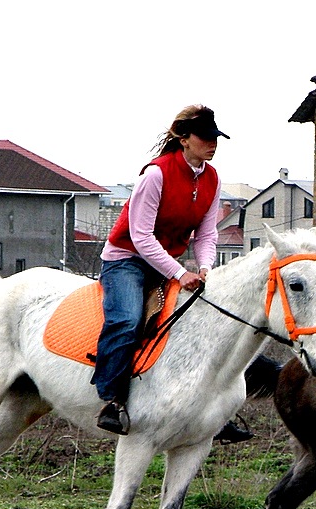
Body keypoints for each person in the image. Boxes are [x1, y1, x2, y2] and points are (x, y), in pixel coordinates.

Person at [91, 104, 251, 442]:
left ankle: (211, 413)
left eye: (215, 137)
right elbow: (140, 237)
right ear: (184, 139)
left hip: (168, 262)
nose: (213, 143)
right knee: (127, 320)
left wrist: (206, 267)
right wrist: (180, 273)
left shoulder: (212, 178)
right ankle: (111, 400)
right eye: (205, 137)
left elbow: (207, 234)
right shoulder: (156, 174)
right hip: (126, 260)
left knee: (205, 322)